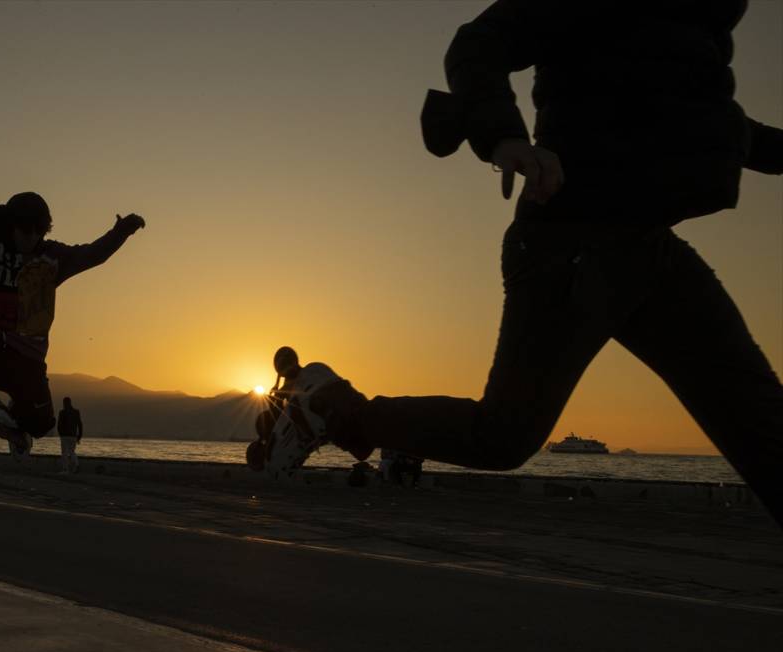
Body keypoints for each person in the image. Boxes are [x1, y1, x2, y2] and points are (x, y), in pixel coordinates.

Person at [269, 1, 783, 527]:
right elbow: (481, 42)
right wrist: (505, 136)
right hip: (571, 240)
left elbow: (714, 129)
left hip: (651, 247)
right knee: (502, 438)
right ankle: (330, 407)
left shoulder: (696, 39)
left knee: (761, 421)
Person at [0, 157, 145, 455]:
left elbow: (92, 254)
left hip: (26, 363)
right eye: (25, 232)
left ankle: (17, 421)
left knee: (41, 425)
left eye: (38, 233)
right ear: (11, 227)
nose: (31, 239)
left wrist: (122, 231)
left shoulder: (51, 259)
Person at [57, 397, 83, 473]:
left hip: (64, 436)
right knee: (72, 451)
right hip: (73, 436)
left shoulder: (62, 412)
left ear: (65, 403)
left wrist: (60, 434)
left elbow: (59, 425)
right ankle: (76, 465)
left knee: (64, 452)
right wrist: (79, 436)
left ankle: (65, 469)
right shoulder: (76, 412)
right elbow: (80, 424)